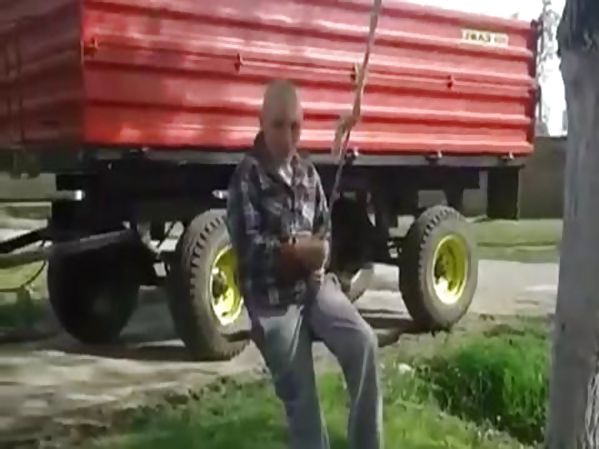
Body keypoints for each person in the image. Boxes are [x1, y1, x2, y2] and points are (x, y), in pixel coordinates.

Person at [226, 79, 383, 449]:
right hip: (273, 302)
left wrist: (323, 252)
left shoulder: (307, 173)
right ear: (261, 122)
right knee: (304, 407)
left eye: (295, 126)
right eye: (278, 125)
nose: (288, 136)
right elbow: (247, 250)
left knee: (364, 343)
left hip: (315, 289)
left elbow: (324, 230)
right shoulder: (247, 176)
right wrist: (295, 252)